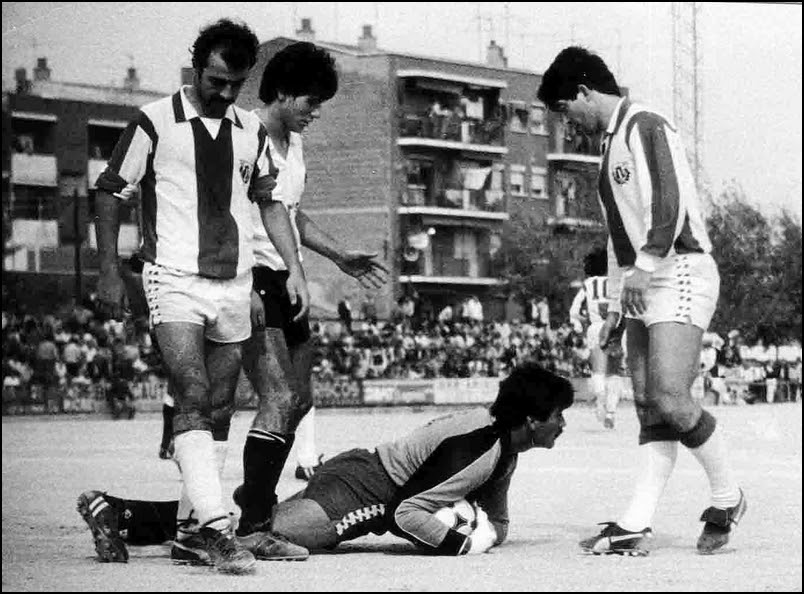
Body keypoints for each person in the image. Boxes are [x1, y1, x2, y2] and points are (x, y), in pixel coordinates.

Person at [88, 19, 309, 575]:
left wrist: (295, 270)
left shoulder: (249, 131)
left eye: (236, 83)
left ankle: (189, 531)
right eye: (216, 80)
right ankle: (216, 529)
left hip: (233, 281)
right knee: (190, 389)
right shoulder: (154, 121)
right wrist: (110, 270)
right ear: (195, 68)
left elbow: (269, 202)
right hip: (172, 277)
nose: (226, 93)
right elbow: (111, 191)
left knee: (216, 407)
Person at [538, 46, 745, 556]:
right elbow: (617, 240)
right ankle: (636, 521)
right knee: (650, 405)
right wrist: (613, 305)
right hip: (640, 277)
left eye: (566, 111)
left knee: (672, 397)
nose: (570, 125)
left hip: (678, 269)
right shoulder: (609, 147)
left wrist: (646, 267)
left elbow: (668, 205)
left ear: (584, 91)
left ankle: (728, 495)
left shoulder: (646, 123)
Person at [76, 362, 574, 561]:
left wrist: (486, 530)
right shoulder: (485, 446)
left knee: (256, 527)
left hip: (366, 480)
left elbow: (499, 520)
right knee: (260, 537)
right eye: (558, 416)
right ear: (532, 419)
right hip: (362, 489)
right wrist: (464, 543)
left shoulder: (503, 447)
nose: (563, 425)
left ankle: (120, 514)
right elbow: (404, 512)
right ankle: (121, 512)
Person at [232, 41, 388, 551]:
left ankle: (253, 499)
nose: (316, 114)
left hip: (286, 276)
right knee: (277, 397)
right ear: (280, 93)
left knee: (300, 401)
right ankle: (254, 524)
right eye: (309, 103)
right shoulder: (244, 134)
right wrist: (240, 281)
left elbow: (290, 212)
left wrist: (338, 255)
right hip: (251, 276)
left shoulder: (293, 145)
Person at [568, 247, 623, 429]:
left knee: (598, 371)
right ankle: (611, 412)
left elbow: (574, 312)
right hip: (614, 328)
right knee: (614, 372)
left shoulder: (588, 284)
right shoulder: (617, 281)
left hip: (595, 328)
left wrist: (583, 321)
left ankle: (600, 397)